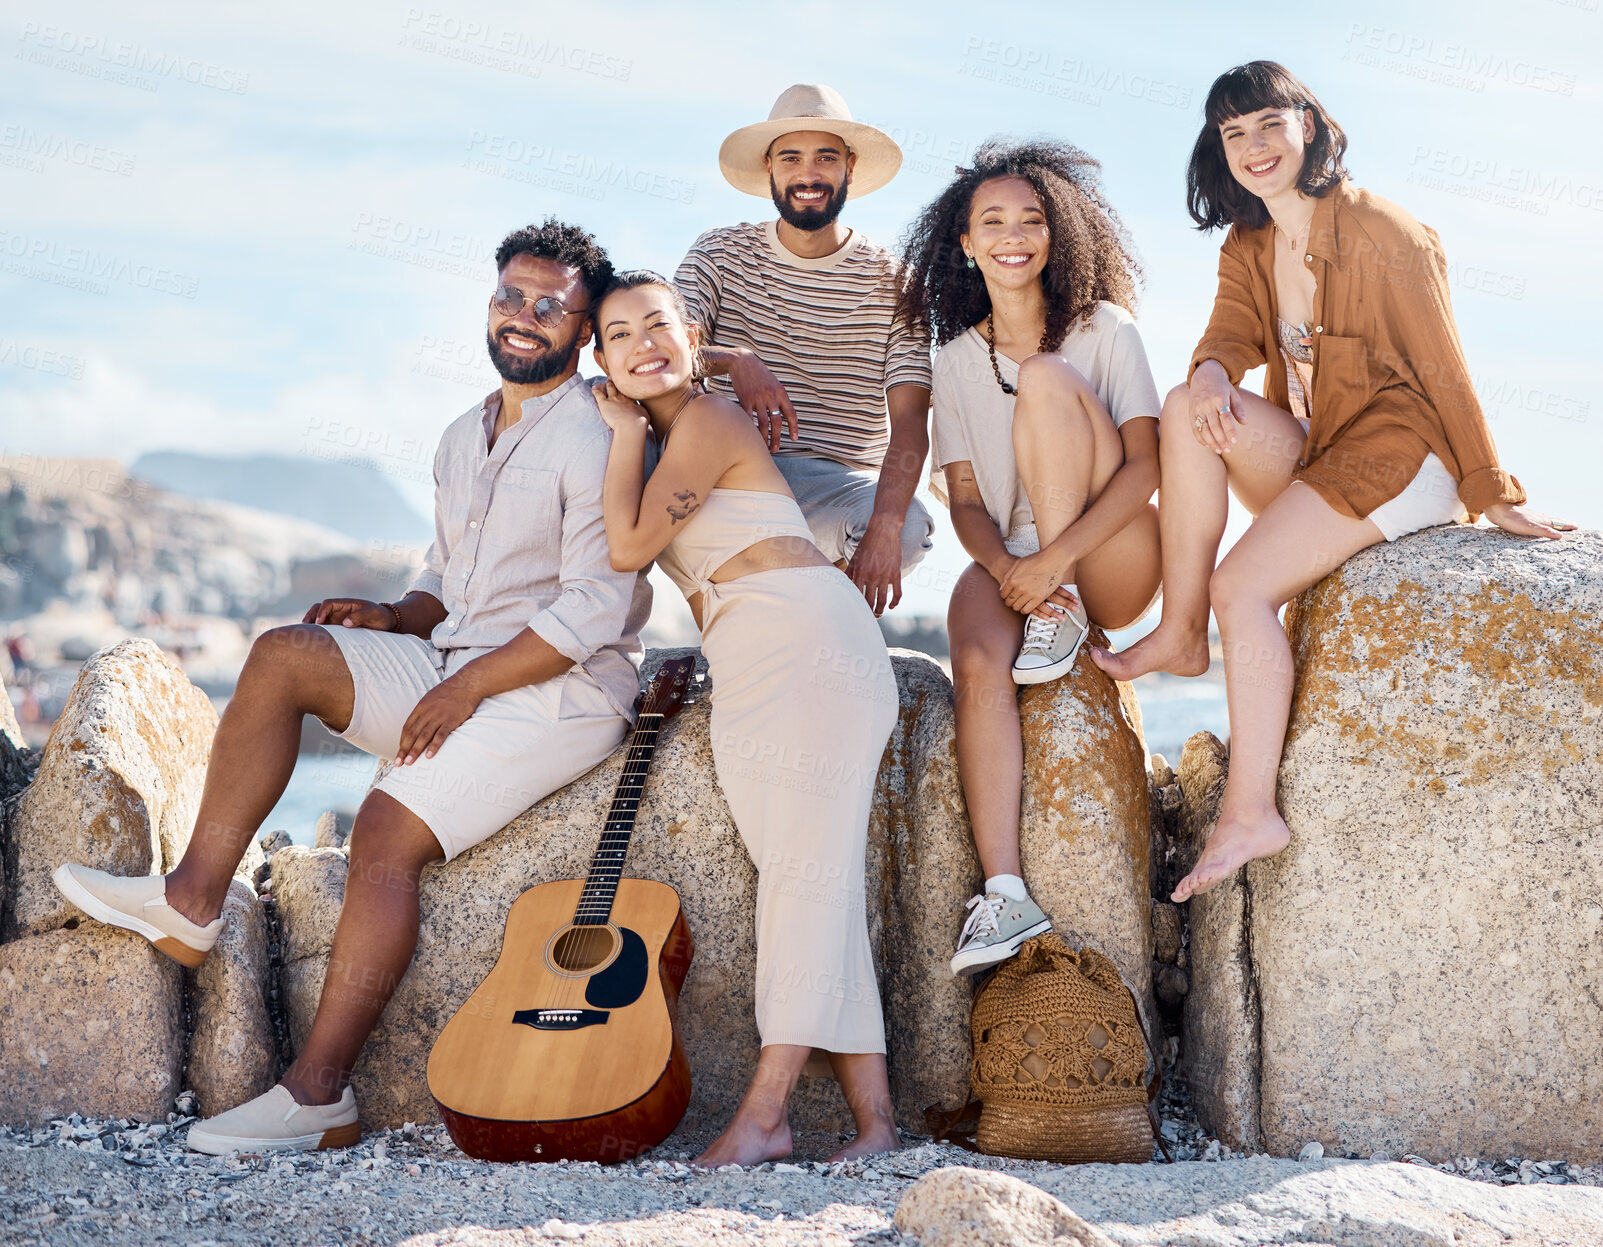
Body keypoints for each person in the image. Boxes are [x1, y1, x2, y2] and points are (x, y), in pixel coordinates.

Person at [52, 219, 652, 1153]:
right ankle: (194, 902)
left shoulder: (601, 432)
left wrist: (462, 690)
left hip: (561, 690)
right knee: (285, 651)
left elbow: (593, 609)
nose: (522, 318)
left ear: (582, 327)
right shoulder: (464, 434)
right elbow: (445, 584)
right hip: (460, 658)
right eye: (508, 298)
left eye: (549, 306)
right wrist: (393, 617)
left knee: (382, 830)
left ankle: (317, 1094)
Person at [1092, 61, 1573, 902]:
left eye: (1267, 125)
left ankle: (1249, 809)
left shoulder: (1386, 230)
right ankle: (1177, 630)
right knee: (1182, 405)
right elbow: (1226, 335)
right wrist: (1209, 373)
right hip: (1320, 450)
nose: (1252, 147)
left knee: (1240, 585)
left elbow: (1444, 368)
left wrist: (1489, 486)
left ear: (1306, 125)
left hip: (1402, 457)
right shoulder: (1248, 243)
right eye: (1232, 134)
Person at [591, 269, 901, 1166]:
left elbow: (627, 547)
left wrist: (619, 428)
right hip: (750, 655)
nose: (644, 344)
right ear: (600, 356)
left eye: (659, 326)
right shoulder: (667, 431)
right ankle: (875, 1125)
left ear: (690, 335)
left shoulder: (705, 423)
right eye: (620, 335)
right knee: (816, 884)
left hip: (807, 643)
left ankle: (765, 1112)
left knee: (802, 881)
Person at [896, 139, 1163, 975]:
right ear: (966, 244)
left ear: (1057, 232)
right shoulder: (951, 360)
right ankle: (1005, 892)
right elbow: (967, 502)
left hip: (1107, 551)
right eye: (992, 222)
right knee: (975, 656)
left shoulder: (1103, 329)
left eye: (1032, 219)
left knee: (1046, 379)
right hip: (1018, 566)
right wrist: (1015, 572)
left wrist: (1057, 565)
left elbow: (1148, 466)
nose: (1014, 235)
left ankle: (1063, 609)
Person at [675, 83, 934, 617]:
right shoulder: (719, 253)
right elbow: (656, 354)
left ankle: (806, 615)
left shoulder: (896, 281)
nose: (808, 175)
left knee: (908, 529)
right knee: (619, 430)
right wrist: (734, 360)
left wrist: (883, 528)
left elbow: (910, 421)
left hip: (834, 489)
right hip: (727, 477)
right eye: (791, 157)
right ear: (770, 168)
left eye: (825, 158)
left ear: (850, 168)